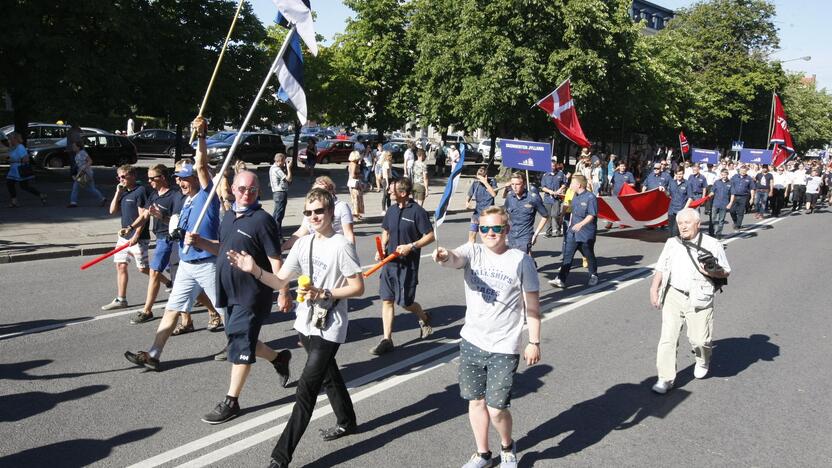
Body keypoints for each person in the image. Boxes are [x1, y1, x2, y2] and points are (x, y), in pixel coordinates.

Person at [227, 188, 364, 468]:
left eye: (319, 211)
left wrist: (326, 292)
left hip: (329, 326)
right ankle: (347, 421)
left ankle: (280, 457)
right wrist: (253, 268)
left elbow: (358, 287)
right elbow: (279, 282)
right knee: (329, 375)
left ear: (330, 213)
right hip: (305, 323)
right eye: (309, 212)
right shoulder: (303, 244)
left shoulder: (341, 245)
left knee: (306, 390)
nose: (314, 217)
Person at [432, 205, 541, 468]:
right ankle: (483, 454)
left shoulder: (521, 260)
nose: (490, 233)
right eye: (485, 228)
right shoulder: (474, 251)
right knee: (475, 401)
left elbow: (533, 305)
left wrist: (534, 341)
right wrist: (444, 255)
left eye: (496, 228)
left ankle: (507, 446)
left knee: (496, 408)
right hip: (472, 340)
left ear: (507, 229)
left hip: (504, 345)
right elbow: (456, 258)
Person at [186, 170, 292, 424]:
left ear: (259, 192)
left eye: (252, 190)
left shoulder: (263, 220)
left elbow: (276, 261)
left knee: (240, 345)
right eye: (242, 189)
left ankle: (231, 401)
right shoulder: (229, 216)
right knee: (242, 340)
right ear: (232, 189)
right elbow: (222, 248)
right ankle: (280, 358)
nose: (247, 194)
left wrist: (284, 291)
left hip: (252, 294)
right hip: (228, 292)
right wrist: (201, 242)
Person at [124, 116, 225, 371]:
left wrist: (201, 136)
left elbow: (201, 166)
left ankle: (259, 350)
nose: (180, 181)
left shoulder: (206, 196)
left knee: (226, 312)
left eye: (185, 177)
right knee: (172, 309)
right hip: (188, 264)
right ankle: (154, 354)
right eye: (178, 177)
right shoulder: (186, 200)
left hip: (207, 263)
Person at [649, 208, 730, 394]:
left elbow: (726, 271)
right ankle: (665, 378)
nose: (683, 226)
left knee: (700, 340)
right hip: (673, 294)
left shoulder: (713, 244)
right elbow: (661, 267)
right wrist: (654, 288)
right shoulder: (671, 243)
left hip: (699, 296)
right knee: (667, 338)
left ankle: (702, 360)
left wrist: (710, 271)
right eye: (680, 223)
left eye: (687, 223)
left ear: (698, 224)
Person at [370, 177, 435, 355]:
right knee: (387, 299)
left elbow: (430, 236)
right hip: (389, 264)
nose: (389, 191)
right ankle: (387, 339)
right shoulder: (391, 210)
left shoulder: (418, 212)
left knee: (405, 302)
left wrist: (411, 246)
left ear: (403, 193)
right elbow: (386, 230)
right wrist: (382, 247)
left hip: (407, 266)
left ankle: (424, 316)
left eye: (392, 189)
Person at [127, 164, 175, 323]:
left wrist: (161, 216)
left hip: (170, 239)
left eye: (152, 178)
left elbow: (179, 222)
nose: (149, 181)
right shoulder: (154, 195)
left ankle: (147, 311)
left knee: (154, 272)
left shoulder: (174, 196)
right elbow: (145, 214)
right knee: (181, 274)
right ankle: (205, 304)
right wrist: (131, 227)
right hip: (160, 237)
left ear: (162, 178)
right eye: (147, 178)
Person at [102, 165, 151, 310]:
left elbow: (143, 215)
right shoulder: (123, 192)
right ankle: (121, 299)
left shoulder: (140, 191)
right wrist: (118, 193)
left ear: (133, 176)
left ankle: (168, 283)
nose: (121, 179)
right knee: (120, 265)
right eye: (119, 177)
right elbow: (112, 210)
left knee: (143, 268)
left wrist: (136, 235)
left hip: (138, 237)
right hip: (124, 237)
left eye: (123, 176)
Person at [548, 175, 598, 288]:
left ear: (579, 185)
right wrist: (564, 219)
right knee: (567, 254)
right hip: (573, 232)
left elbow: (592, 215)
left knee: (588, 255)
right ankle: (561, 279)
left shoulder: (591, 197)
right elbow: (572, 212)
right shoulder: (575, 195)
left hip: (586, 233)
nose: (570, 185)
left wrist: (581, 224)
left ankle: (593, 275)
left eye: (572, 183)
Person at [282, 176, 355, 250]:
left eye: (322, 191)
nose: (318, 194)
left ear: (331, 190)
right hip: (316, 249)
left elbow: (348, 234)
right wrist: (281, 248)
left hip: (336, 249)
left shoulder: (341, 206)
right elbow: (301, 232)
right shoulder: (311, 210)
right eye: (315, 191)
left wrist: (351, 253)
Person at [504, 172, 548, 254]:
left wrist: (536, 234)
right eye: (512, 184)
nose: (514, 187)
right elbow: (505, 213)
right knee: (514, 259)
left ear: (524, 183)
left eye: (517, 184)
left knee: (520, 260)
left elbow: (545, 215)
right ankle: (531, 265)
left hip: (525, 235)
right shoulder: (509, 196)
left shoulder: (533, 198)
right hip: (511, 235)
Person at [5, 132, 46, 207]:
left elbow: (26, 159)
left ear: (15, 139)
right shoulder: (12, 147)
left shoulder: (20, 147)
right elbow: (10, 156)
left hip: (19, 169)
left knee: (24, 186)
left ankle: (41, 194)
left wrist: (14, 161)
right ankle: (14, 201)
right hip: (13, 169)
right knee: (10, 183)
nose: (9, 141)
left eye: (10, 139)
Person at [67, 141, 106, 208]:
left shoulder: (82, 153)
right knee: (90, 188)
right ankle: (102, 198)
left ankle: (73, 202)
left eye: (74, 146)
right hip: (83, 173)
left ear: (78, 147)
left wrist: (84, 167)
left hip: (85, 173)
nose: (73, 148)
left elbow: (90, 161)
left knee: (76, 187)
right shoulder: (77, 154)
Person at [466, 166, 498, 244]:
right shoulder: (475, 183)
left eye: (480, 178)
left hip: (488, 214)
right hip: (477, 213)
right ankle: (471, 250)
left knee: (487, 236)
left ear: (485, 176)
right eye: (477, 177)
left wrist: (485, 182)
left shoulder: (492, 182)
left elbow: (494, 194)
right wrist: (467, 202)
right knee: (472, 233)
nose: (478, 179)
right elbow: (469, 194)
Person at [540, 160, 567, 237]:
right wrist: (550, 191)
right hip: (548, 198)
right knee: (548, 216)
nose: (553, 167)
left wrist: (559, 190)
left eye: (554, 166)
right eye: (551, 166)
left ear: (556, 166)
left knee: (555, 215)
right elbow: (543, 187)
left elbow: (564, 183)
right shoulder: (545, 175)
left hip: (557, 198)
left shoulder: (560, 174)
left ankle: (558, 229)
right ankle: (548, 232)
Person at [269, 152, 293, 241]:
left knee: (276, 214)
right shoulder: (277, 169)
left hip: (276, 193)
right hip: (280, 193)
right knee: (278, 216)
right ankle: (278, 236)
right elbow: (289, 179)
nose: (284, 163)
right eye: (284, 161)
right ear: (280, 161)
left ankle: (273, 233)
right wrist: (288, 168)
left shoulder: (272, 168)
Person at [727, 165, 755, 231]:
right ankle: (735, 222)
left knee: (741, 212)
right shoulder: (734, 177)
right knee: (732, 211)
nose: (743, 172)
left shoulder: (749, 178)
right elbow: (729, 185)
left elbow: (752, 189)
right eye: (741, 170)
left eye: (744, 171)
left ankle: (738, 225)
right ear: (739, 170)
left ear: (746, 171)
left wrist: (752, 198)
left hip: (744, 197)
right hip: (734, 196)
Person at [666, 168, 690, 237]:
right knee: (670, 230)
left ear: (683, 174)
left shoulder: (687, 183)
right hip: (671, 210)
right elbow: (668, 194)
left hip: (681, 210)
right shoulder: (672, 182)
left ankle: (677, 245)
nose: (679, 175)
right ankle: (672, 245)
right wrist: (664, 190)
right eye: (678, 174)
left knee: (675, 231)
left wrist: (684, 210)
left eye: (681, 174)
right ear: (675, 174)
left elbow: (690, 198)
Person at [710, 169, 731, 239]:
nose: (724, 176)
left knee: (721, 220)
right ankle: (711, 232)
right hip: (715, 203)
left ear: (727, 175)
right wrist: (709, 195)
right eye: (722, 175)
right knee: (712, 219)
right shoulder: (716, 182)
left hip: (724, 204)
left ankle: (718, 234)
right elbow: (712, 191)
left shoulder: (730, 183)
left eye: (725, 175)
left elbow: (733, 194)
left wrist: (730, 203)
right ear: (720, 175)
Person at [347, 151, 364, 220]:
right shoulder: (354, 164)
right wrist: (360, 175)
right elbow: (353, 175)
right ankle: (356, 214)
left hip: (351, 182)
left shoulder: (350, 163)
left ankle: (357, 213)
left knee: (355, 198)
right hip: (355, 182)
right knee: (356, 198)